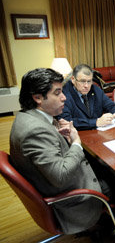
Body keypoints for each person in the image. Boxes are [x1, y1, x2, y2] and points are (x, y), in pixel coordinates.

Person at [9, 68, 103, 234]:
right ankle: (105, 226)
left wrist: (62, 138)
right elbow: (60, 176)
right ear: (37, 97)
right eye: (57, 93)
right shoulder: (34, 131)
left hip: (60, 182)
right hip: (72, 198)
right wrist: (76, 143)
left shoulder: (30, 117)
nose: (64, 97)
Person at [59, 64, 115, 130]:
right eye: (82, 81)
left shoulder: (96, 90)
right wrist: (95, 122)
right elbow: (66, 121)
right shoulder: (64, 94)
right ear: (73, 79)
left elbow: (111, 106)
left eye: (89, 81)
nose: (86, 86)